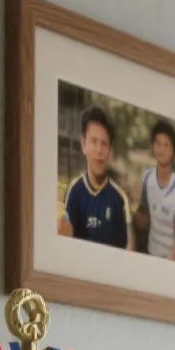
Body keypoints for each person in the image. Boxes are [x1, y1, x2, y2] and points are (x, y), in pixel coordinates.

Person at [60, 105, 130, 250]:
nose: (99, 150)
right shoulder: (75, 191)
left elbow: (128, 248)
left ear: (110, 151)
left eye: (104, 143)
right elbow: (65, 242)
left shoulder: (119, 199)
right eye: (93, 141)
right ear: (83, 144)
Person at [132, 121, 175, 262]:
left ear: (173, 151)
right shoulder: (147, 178)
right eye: (158, 144)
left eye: (166, 145)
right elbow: (143, 215)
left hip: (168, 261)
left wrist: (166, 267)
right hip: (148, 254)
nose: (161, 149)